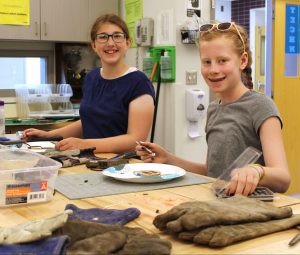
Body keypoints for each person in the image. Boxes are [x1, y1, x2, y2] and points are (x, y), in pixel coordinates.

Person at [136, 22, 290, 195]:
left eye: (222, 61)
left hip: (251, 211)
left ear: (243, 60)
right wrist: (168, 158)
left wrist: (256, 171)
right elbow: (212, 173)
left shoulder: (261, 106)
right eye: (206, 62)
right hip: (217, 205)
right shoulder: (213, 109)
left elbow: (283, 179)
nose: (213, 70)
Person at [23, 14, 155, 153]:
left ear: (128, 43)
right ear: (94, 45)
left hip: (124, 167)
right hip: (91, 161)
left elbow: (135, 140)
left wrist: (85, 144)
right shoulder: (92, 78)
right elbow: (88, 122)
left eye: (117, 36)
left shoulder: (139, 83)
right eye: (103, 37)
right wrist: (50, 135)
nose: (110, 43)